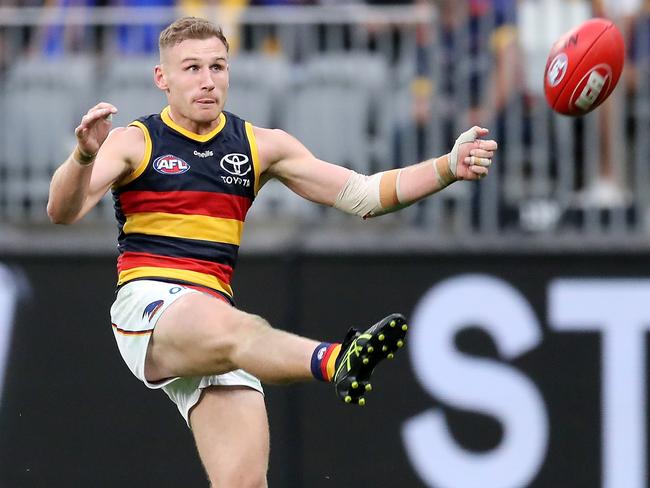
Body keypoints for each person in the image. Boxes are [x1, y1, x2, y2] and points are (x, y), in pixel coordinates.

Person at [47, 16, 497, 487]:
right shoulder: (134, 141)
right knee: (239, 329)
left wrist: (448, 166)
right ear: (162, 79)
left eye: (218, 67)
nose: (207, 80)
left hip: (212, 316)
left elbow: (364, 195)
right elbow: (62, 211)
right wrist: (81, 157)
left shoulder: (261, 145)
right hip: (151, 305)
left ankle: (327, 359)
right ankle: (336, 360)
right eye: (192, 68)